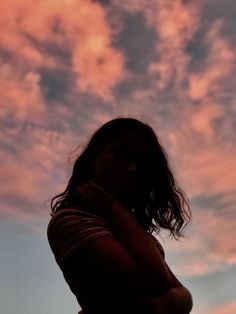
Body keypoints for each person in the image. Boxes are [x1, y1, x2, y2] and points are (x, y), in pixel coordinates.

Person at [47, 117, 193, 314]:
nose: (132, 169)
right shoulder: (72, 221)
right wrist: (112, 207)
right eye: (121, 154)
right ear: (93, 157)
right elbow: (157, 283)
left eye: (142, 164)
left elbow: (183, 298)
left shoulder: (128, 227)